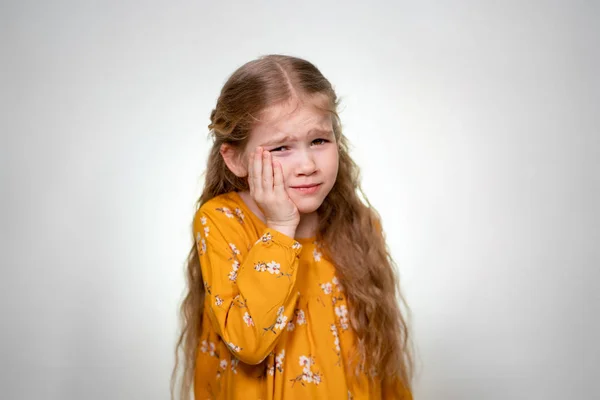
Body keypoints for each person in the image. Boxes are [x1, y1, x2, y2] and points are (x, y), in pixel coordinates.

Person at [172, 54, 414, 400]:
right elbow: (249, 343)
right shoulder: (223, 221)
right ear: (236, 158)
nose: (307, 164)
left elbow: (383, 365)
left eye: (319, 141)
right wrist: (281, 226)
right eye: (281, 147)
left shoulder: (358, 224)